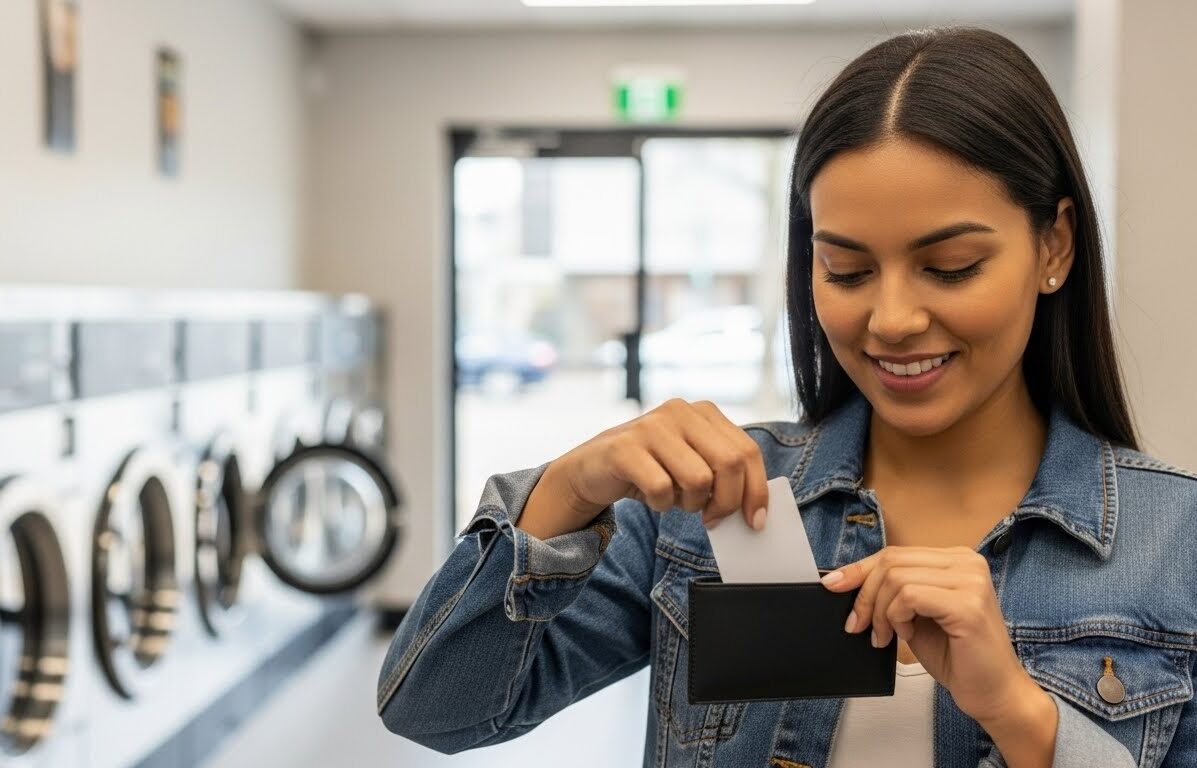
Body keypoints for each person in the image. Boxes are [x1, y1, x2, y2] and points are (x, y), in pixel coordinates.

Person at [377, 26, 1197, 767]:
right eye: (844, 269)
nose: (891, 318)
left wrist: (1022, 717)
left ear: (1053, 246)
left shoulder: (1174, 544)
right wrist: (568, 488)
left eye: (949, 266)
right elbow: (435, 710)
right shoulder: (711, 516)